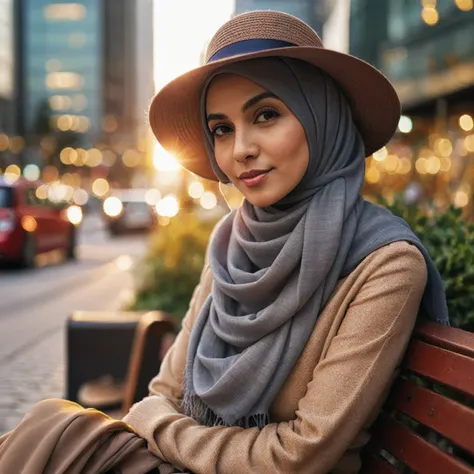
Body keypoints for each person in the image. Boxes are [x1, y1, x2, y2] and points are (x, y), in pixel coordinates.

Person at [123, 10, 449, 474]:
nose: (240, 150)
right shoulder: (229, 245)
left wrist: (159, 429)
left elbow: (301, 454)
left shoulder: (387, 265)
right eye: (222, 129)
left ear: (321, 118)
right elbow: (166, 392)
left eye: (267, 114)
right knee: (48, 431)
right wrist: (158, 420)